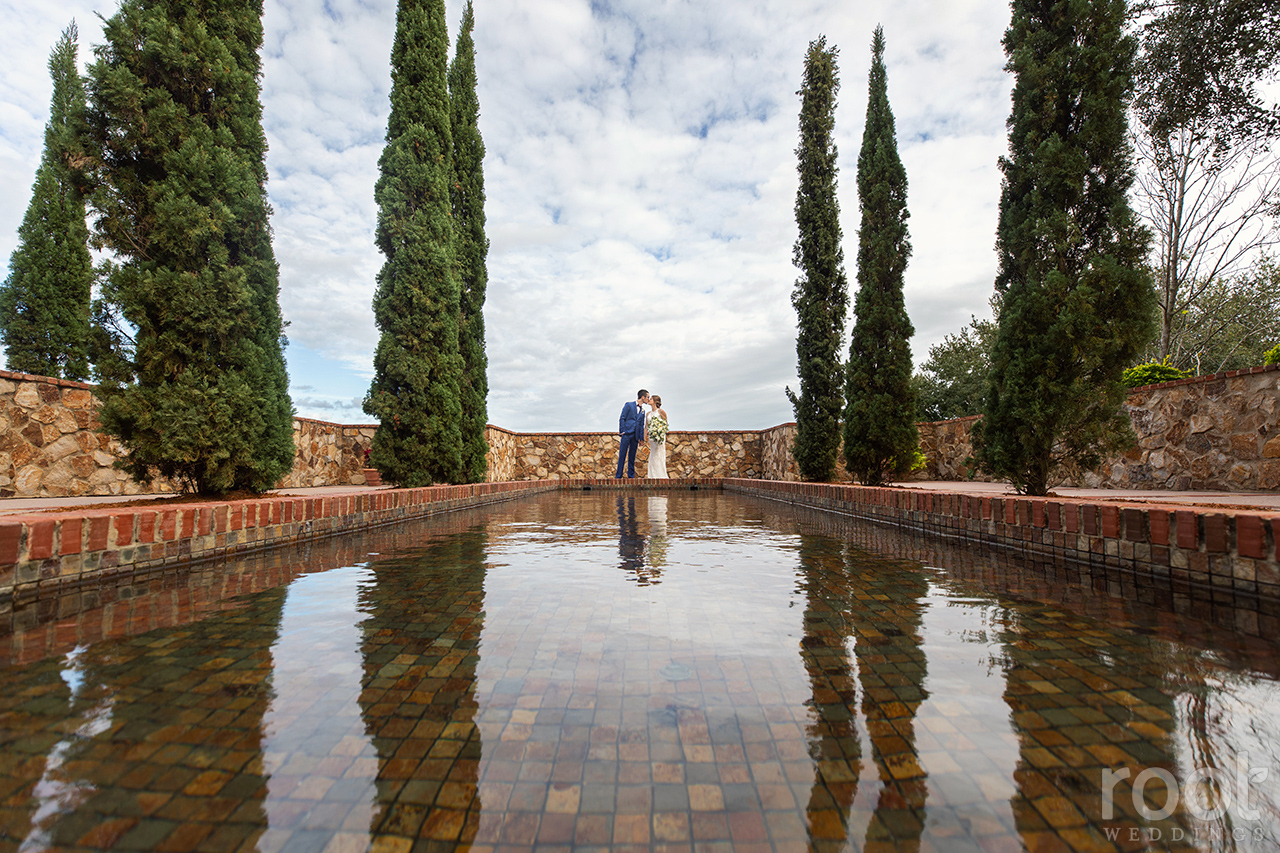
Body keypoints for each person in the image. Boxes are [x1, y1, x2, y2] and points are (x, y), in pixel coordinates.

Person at [616, 389, 649, 478]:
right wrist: (622, 431)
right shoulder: (628, 405)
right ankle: (618, 476)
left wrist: (641, 438)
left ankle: (631, 476)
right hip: (626, 434)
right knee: (622, 455)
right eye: (647, 397)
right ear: (643, 397)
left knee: (632, 457)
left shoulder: (643, 411)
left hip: (635, 436)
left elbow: (641, 425)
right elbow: (622, 418)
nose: (648, 399)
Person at [646, 394, 668, 479]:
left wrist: (659, 432)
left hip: (659, 437)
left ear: (655, 401)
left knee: (659, 455)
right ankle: (652, 476)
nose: (649, 400)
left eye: (650, 399)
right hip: (651, 438)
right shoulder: (648, 414)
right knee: (652, 455)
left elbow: (665, 424)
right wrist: (643, 438)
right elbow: (646, 427)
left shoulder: (661, 412)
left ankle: (661, 476)